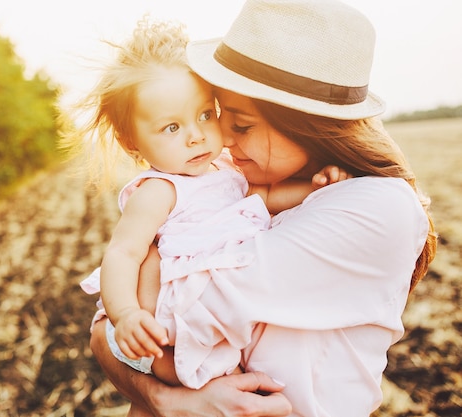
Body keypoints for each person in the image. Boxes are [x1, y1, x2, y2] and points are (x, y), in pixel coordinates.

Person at [88, 0, 438, 416]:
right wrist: (164, 399)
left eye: (238, 124)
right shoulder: (223, 180)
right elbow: (107, 329)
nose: (221, 141)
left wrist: (143, 276)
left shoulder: (378, 206)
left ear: (304, 123)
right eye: (222, 117)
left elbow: (166, 322)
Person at [68, 17, 347, 390]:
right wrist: (128, 314)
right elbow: (123, 253)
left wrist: (317, 188)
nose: (196, 136)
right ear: (130, 142)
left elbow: (262, 199)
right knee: (173, 370)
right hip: (175, 310)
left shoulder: (227, 170)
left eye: (204, 115)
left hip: (223, 306)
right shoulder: (159, 190)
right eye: (172, 127)